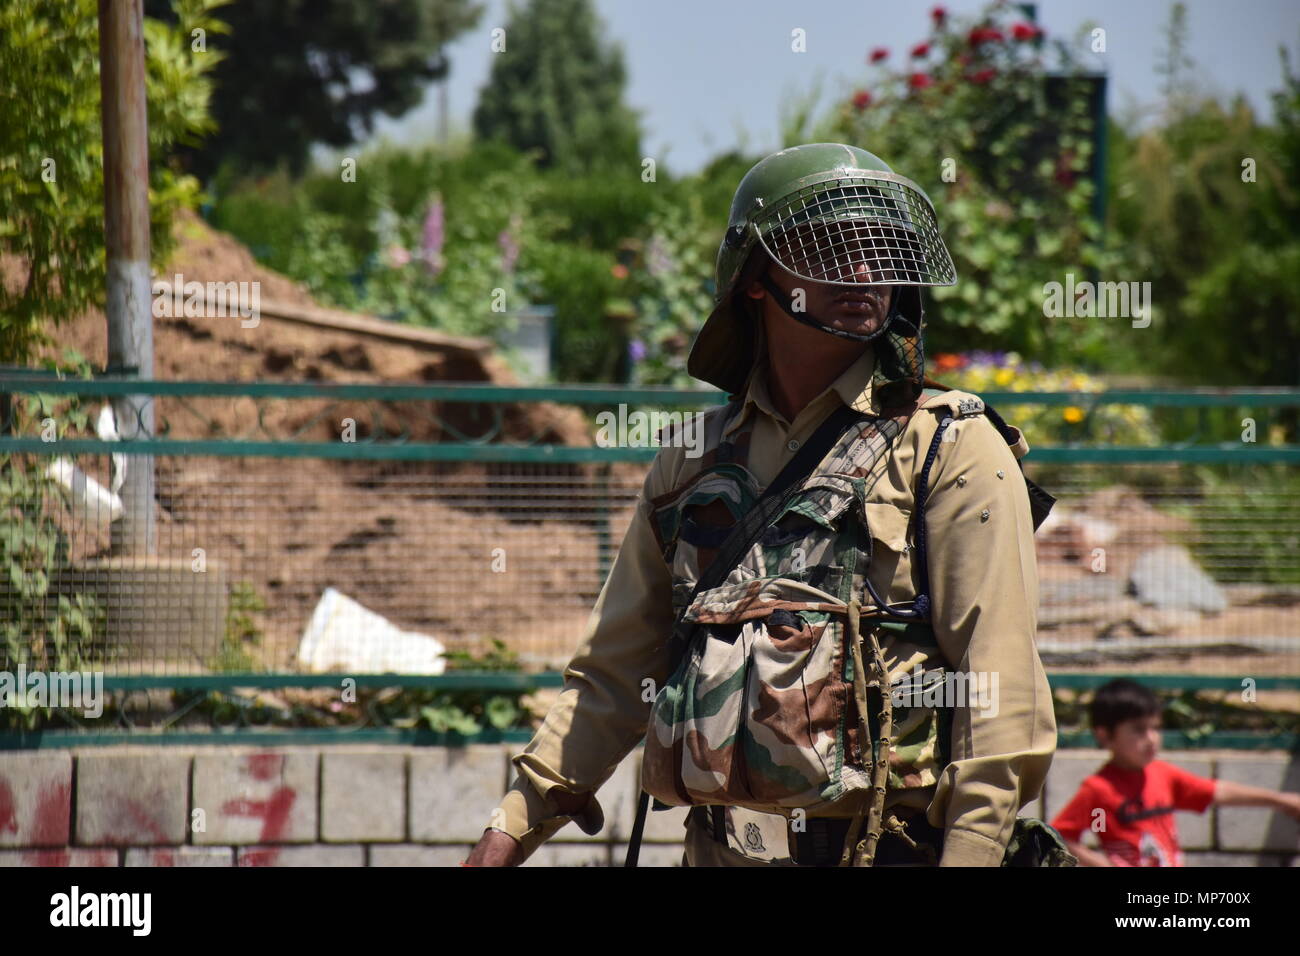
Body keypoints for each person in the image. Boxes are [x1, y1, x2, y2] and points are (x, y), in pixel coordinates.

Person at [465, 142, 1057, 867]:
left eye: (881, 248)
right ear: (755, 280)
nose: (865, 271)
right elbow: (614, 677)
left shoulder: (951, 446)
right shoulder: (692, 458)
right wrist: (505, 835)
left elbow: (997, 694)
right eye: (832, 246)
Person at [1050, 678, 1300, 866]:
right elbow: (1061, 838)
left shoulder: (1163, 775)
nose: (1152, 739)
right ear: (1105, 735)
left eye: (1155, 728)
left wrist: (1280, 800)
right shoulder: (1098, 789)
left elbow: (1215, 791)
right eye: (1138, 730)